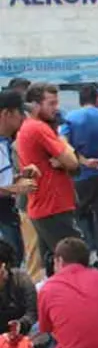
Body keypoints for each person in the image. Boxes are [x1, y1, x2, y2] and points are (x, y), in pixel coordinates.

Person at [15, 83, 83, 277]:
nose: (56, 108)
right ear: (35, 106)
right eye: (51, 103)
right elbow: (72, 162)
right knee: (75, 262)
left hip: (45, 205)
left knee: (54, 265)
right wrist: (65, 156)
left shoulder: (31, 128)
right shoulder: (38, 128)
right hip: (52, 205)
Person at [61, 84, 98, 269]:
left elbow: (64, 146)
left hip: (80, 175)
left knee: (81, 215)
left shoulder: (70, 118)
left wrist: (82, 160)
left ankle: (87, 251)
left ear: (80, 100)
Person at [0, 91, 35, 259]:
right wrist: (15, 188)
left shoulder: (5, 142)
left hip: (8, 213)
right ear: (6, 114)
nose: (24, 118)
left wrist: (20, 176)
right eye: (20, 113)